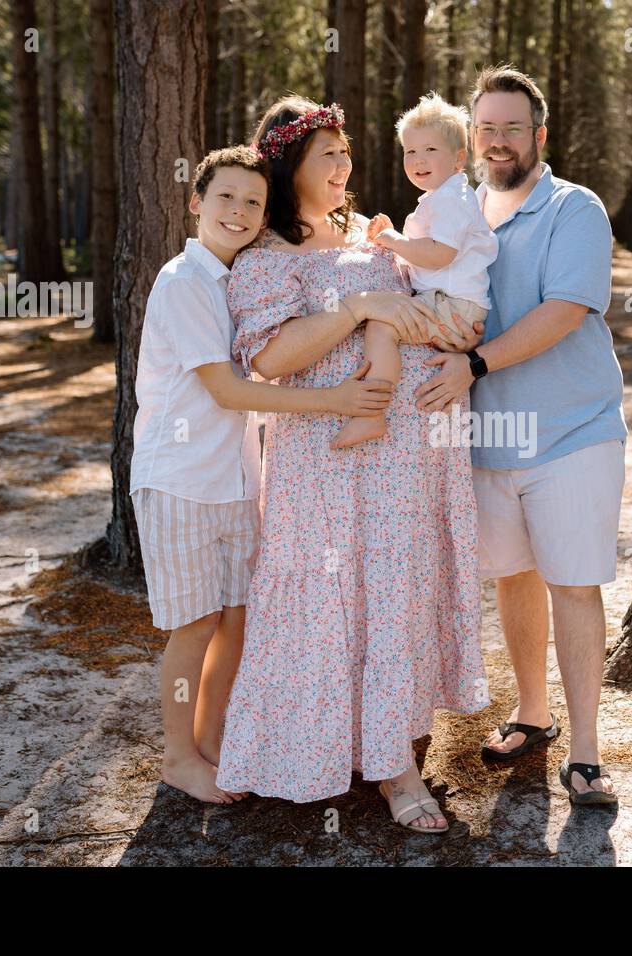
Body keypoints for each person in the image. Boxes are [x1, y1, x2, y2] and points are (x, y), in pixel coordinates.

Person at [215, 96, 489, 834]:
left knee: (393, 593)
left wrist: (461, 362)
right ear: (292, 166)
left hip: (405, 450)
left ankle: (395, 757)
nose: (345, 166)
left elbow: (433, 303)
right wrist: (357, 309)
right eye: (329, 155)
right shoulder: (267, 257)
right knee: (329, 595)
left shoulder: (372, 236)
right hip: (324, 460)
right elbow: (268, 360)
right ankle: (319, 750)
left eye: (346, 154)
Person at [130, 146, 393, 805]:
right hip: (180, 480)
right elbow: (227, 390)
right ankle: (177, 756)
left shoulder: (240, 277)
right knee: (194, 626)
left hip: (239, 480)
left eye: (252, 201)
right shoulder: (184, 282)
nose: (239, 211)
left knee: (238, 620)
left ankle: (216, 740)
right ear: (196, 202)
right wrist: (332, 402)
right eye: (225, 197)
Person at [413, 66, 628, 806]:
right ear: (471, 137)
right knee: (513, 575)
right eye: (486, 127)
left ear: (539, 136)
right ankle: (532, 715)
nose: (497, 140)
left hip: (572, 432)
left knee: (572, 581)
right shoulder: (458, 210)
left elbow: (565, 309)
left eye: (512, 127)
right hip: (487, 440)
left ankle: (589, 753)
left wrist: (472, 361)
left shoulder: (574, 209)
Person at [338, 92, 499, 449]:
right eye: (410, 151)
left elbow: (439, 254)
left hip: (455, 306)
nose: (418, 159)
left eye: (430, 150)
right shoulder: (440, 198)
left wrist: (394, 241)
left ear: (459, 158)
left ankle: (371, 414)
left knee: (381, 327)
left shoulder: (454, 199)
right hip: (449, 302)